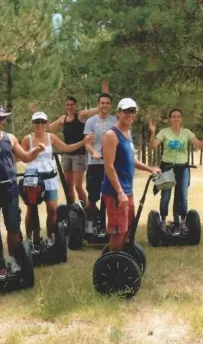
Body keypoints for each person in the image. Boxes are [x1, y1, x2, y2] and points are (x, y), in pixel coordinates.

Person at [0, 103, 45, 279]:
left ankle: (11, 259)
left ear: (3, 120)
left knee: (13, 226)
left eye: (0, 118)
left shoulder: (10, 138)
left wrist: (35, 151)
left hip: (10, 189)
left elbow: (25, 157)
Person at [22, 111, 94, 246]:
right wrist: (35, 151)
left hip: (49, 178)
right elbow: (23, 157)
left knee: (52, 209)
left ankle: (49, 237)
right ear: (33, 124)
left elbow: (67, 148)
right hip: (32, 178)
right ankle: (29, 239)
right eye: (37, 122)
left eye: (43, 122)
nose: (40, 125)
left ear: (46, 124)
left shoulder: (51, 138)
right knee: (31, 210)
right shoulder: (28, 139)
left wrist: (83, 142)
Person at [101, 98, 160, 252]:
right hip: (115, 192)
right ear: (118, 113)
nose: (130, 114)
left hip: (127, 190)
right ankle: (113, 263)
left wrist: (149, 169)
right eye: (126, 111)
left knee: (128, 227)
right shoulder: (111, 135)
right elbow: (109, 166)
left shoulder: (127, 132)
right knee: (118, 231)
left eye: (132, 111)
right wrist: (119, 192)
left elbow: (131, 159)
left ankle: (121, 259)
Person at [45, 80, 111, 206]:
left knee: (78, 186)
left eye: (72, 105)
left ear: (75, 106)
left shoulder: (80, 116)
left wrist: (105, 93)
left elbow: (98, 109)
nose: (70, 107)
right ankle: (72, 212)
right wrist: (36, 115)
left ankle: (87, 210)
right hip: (67, 155)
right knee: (68, 186)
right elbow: (49, 127)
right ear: (65, 106)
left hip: (79, 155)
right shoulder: (62, 119)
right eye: (67, 105)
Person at [148, 109, 203, 233]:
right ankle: (163, 221)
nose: (176, 118)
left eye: (178, 116)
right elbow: (153, 145)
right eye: (173, 116)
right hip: (167, 167)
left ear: (181, 118)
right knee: (165, 197)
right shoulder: (164, 132)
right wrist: (152, 133)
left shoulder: (186, 132)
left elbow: (199, 145)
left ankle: (182, 221)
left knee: (182, 197)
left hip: (183, 168)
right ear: (170, 119)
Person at [83, 92, 115, 235]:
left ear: (111, 105)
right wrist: (93, 152)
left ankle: (104, 225)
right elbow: (87, 143)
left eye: (107, 103)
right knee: (93, 196)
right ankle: (89, 223)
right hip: (94, 164)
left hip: (110, 164)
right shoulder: (91, 121)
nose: (105, 105)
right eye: (102, 103)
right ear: (98, 104)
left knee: (107, 196)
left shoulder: (115, 121)